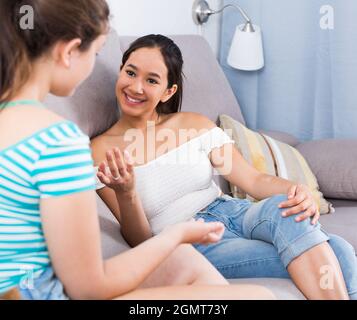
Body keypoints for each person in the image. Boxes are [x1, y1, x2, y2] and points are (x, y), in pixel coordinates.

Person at [0, 0, 274, 300]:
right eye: (95, 52)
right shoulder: (59, 141)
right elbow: (89, 288)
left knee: (186, 261)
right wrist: (175, 235)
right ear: (69, 52)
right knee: (258, 297)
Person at [92, 34, 357, 300]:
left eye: (151, 80)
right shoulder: (100, 151)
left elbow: (253, 180)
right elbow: (140, 241)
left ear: (168, 91)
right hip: (191, 242)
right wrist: (127, 193)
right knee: (340, 251)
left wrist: (296, 190)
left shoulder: (193, 124)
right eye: (130, 73)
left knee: (287, 211)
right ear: (121, 72)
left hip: (234, 212)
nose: (136, 87)